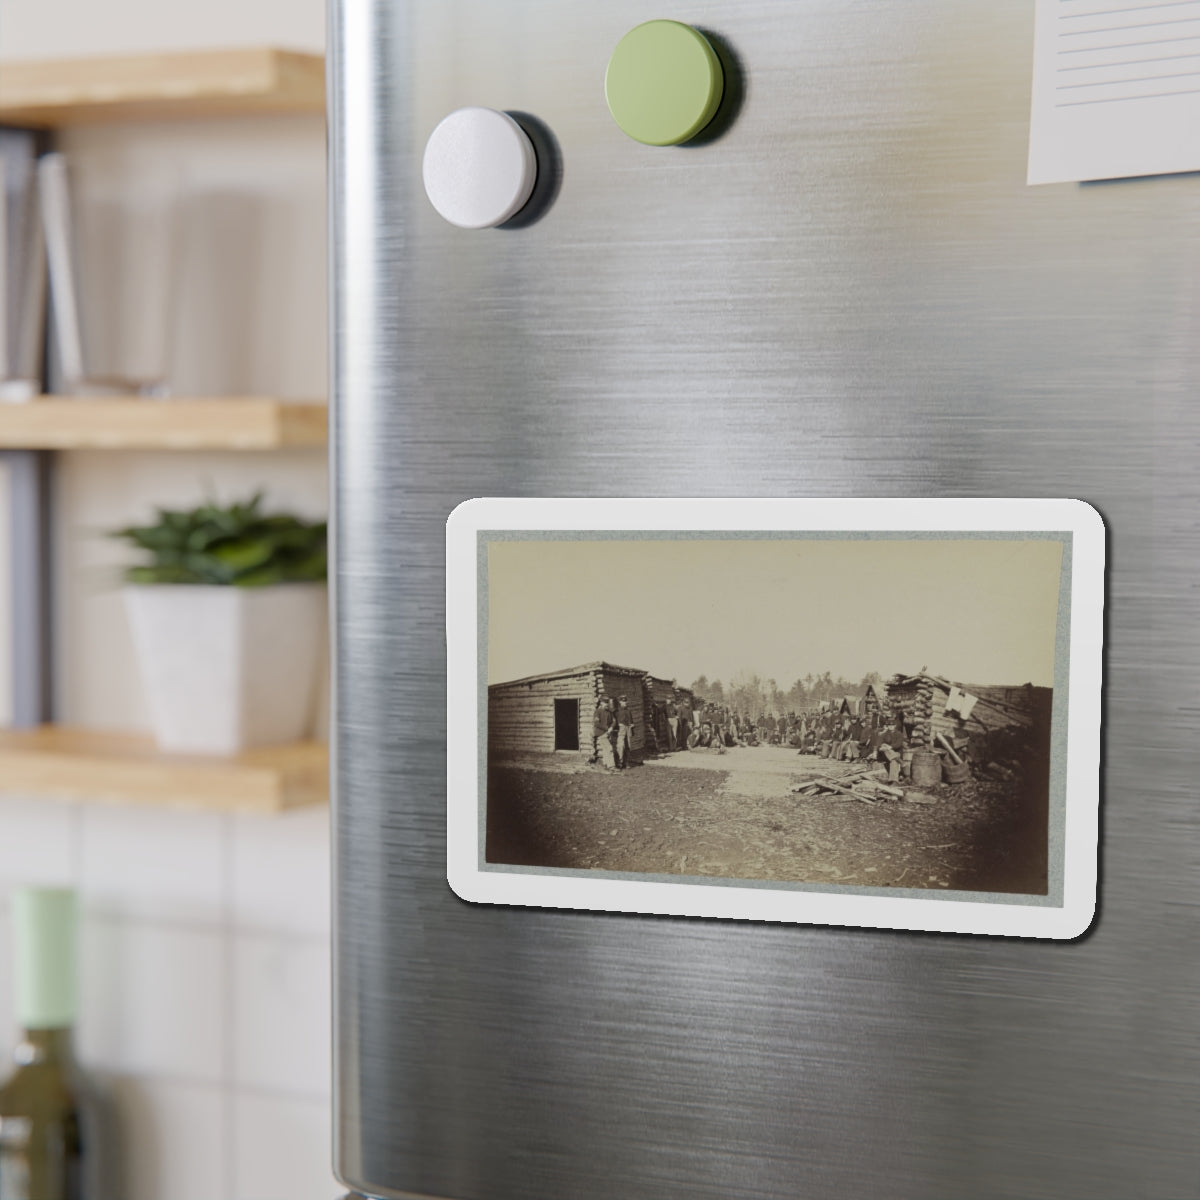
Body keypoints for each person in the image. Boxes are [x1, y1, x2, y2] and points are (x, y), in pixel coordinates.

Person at [593, 694, 616, 769]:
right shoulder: (598, 711)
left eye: (607, 703)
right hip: (601, 733)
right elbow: (596, 723)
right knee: (609, 748)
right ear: (601, 703)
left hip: (608, 733)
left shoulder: (609, 712)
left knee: (606, 749)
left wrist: (611, 727)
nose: (607, 704)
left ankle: (606, 764)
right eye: (605, 703)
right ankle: (611, 766)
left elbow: (614, 721)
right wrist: (607, 728)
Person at [614, 695, 634, 769]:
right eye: (623, 701)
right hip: (621, 730)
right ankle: (620, 762)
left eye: (625, 701)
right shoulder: (616, 711)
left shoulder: (628, 711)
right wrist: (617, 726)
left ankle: (627, 762)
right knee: (620, 746)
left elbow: (631, 722)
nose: (624, 703)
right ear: (620, 702)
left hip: (628, 729)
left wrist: (631, 726)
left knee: (628, 746)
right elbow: (614, 721)